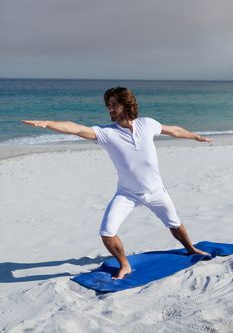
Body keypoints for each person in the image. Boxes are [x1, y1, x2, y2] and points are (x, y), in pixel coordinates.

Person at [22, 87, 213, 280]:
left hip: (156, 192)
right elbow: (78, 128)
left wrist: (196, 137)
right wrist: (48, 123)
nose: (110, 109)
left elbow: (174, 130)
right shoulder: (106, 133)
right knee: (107, 233)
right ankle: (125, 265)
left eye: (114, 104)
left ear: (126, 104)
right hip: (127, 194)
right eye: (108, 105)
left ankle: (191, 248)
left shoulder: (147, 124)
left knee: (174, 224)